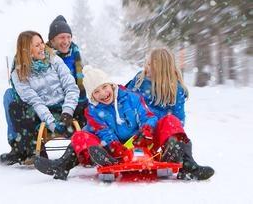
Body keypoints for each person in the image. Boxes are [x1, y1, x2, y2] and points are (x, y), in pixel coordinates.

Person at [34, 65, 210, 181]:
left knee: (170, 120)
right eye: (96, 92)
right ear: (92, 96)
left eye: (104, 87)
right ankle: (63, 167)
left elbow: (148, 115)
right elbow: (103, 132)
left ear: (111, 85)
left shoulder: (132, 97)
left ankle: (186, 163)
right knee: (81, 135)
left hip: (145, 143)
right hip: (114, 151)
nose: (103, 93)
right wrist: (113, 146)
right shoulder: (93, 111)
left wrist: (147, 130)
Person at [1, 15, 87, 161]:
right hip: (42, 108)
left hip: (63, 104)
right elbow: (35, 101)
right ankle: (30, 151)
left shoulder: (54, 59)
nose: (43, 47)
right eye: (37, 45)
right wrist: (53, 124)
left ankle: (89, 147)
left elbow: (71, 87)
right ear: (26, 50)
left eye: (42, 43)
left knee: (86, 106)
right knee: (16, 106)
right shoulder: (20, 73)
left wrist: (66, 113)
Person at [126, 47, 214, 180]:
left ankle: (183, 161)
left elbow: (179, 120)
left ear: (161, 69)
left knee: (172, 121)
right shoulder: (139, 79)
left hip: (157, 135)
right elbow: (124, 99)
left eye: (150, 65)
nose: (146, 67)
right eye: (147, 63)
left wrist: (168, 131)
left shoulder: (175, 89)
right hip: (138, 133)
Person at [47, 15, 88, 127]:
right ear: (52, 40)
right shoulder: (44, 57)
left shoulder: (75, 54)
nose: (66, 41)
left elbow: (82, 80)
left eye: (68, 37)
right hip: (54, 103)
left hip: (77, 101)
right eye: (62, 37)